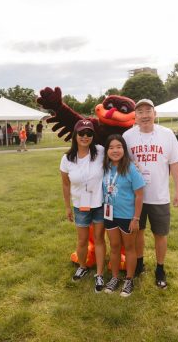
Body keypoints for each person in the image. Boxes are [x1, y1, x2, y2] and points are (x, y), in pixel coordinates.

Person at [123, 99, 178, 289]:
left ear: (154, 114)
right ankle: (139, 263)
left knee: (160, 234)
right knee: (137, 232)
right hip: (136, 196)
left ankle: (160, 268)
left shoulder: (166, 134)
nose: (144, 115)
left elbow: (174, 163)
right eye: (140, 112)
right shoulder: (127, 136)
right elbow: (121, 162)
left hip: (159, 195)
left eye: (148, 110)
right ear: (135, 117)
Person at [60, 119, 106, 293]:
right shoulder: (66, 159)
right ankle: (82, 266)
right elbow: (65, 184)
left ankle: (100, 273)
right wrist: (67, 207)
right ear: (75, 135)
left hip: (99, 204)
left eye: (89, 133)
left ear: (93, 136)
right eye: (82, 133)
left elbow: (119, 155)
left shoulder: (101, 151)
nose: (85, 137)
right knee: (82, 240)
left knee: (100, 239)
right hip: (80, 205)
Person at [102, 134, 145, 297]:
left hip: (128, 216)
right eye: (111, 147)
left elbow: (139, 195)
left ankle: (128, 279)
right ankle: (114, 277)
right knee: (114, 247)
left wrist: (136, 218)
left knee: (129, 248)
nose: (115, 150)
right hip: (109, 215)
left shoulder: (131, 168)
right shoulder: (105, 168)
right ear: (106, 151)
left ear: (124, 149)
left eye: (118, 147)